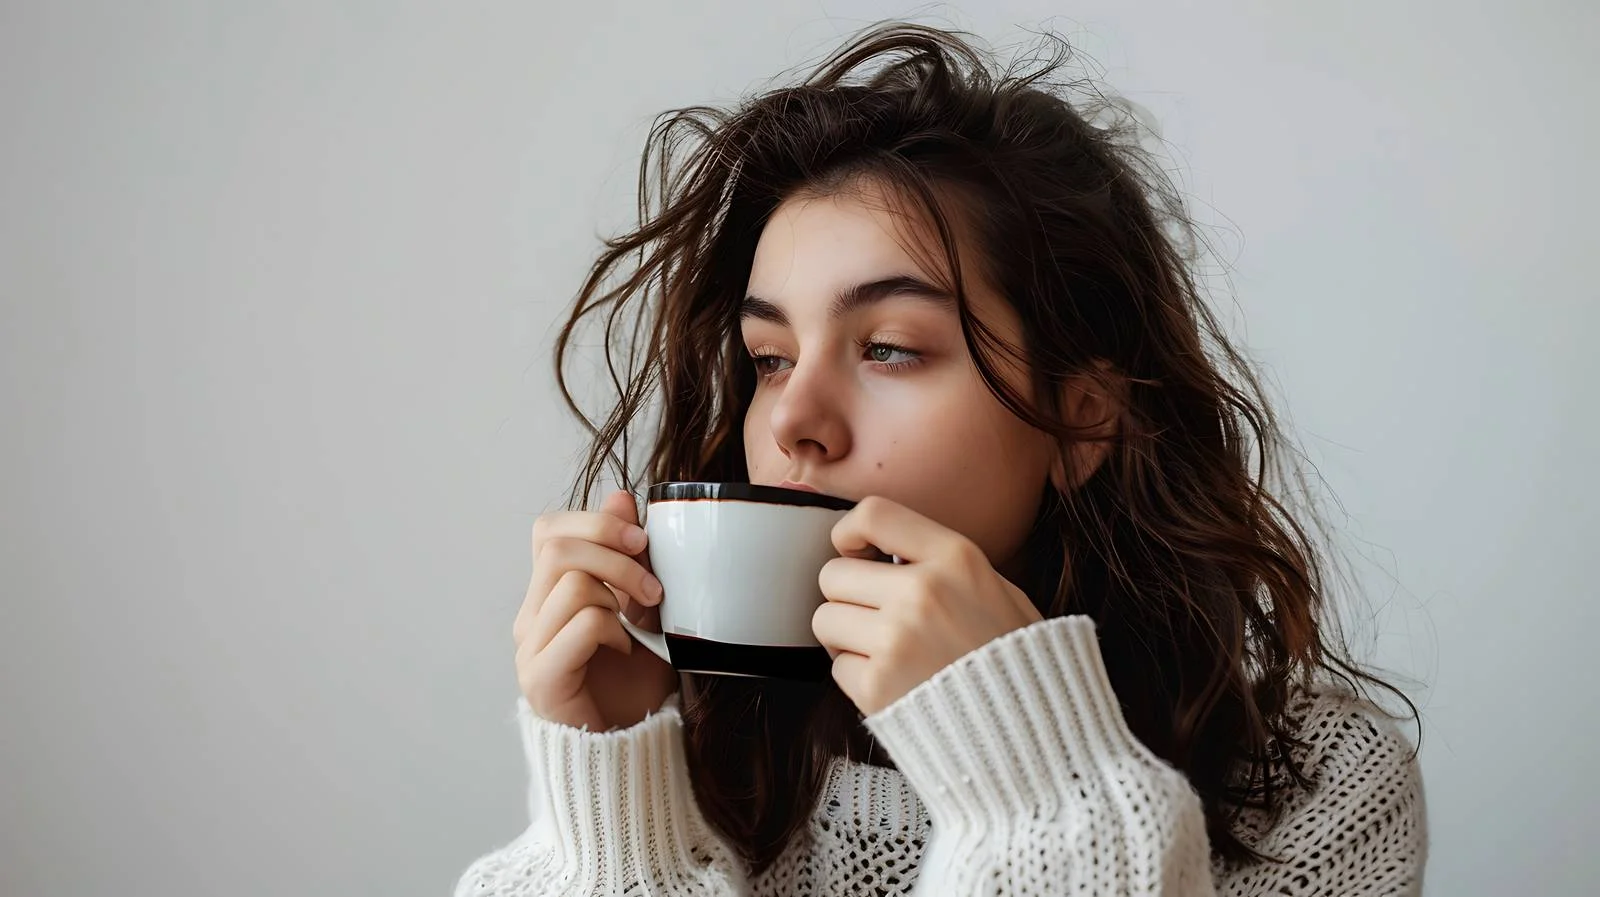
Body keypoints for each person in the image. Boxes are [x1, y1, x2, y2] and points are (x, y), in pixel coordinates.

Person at [455, 22, 1426, 896]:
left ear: (1080, 424)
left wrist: (1040, 784)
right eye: (770, 359)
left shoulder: (1316, 784)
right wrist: (613, 816)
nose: (795, 421)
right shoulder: (686, 763)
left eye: (888, 348)